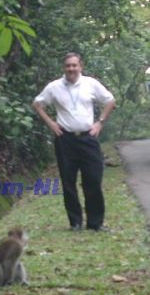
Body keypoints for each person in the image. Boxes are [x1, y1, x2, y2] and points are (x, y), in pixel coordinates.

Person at [32, 52, 116, 231]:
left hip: (88, 138)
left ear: (80, 66)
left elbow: (110, 101)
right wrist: (51, 123)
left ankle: (95, 223)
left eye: (74, 65)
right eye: (68, 66)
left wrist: (100, 122)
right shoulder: (54, 87)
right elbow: (37, 104)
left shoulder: (91, 83)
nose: (71, 69)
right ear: (64, 68)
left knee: (93, 180)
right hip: (65, 140)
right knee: (68, 182)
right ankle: (75, 222)